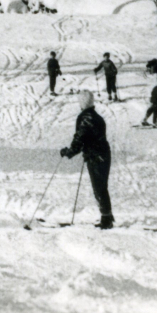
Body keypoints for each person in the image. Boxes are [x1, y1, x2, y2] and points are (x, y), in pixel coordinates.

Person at [61, 90, 114, 229]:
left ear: (82, 102)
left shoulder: (84, 118)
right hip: (104, 154)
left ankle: (106, 219)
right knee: (102, 186)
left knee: (99, 187)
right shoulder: (98, 117)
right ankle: (107, 215)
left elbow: (80, 138)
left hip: (95, 156)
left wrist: (69, 152)